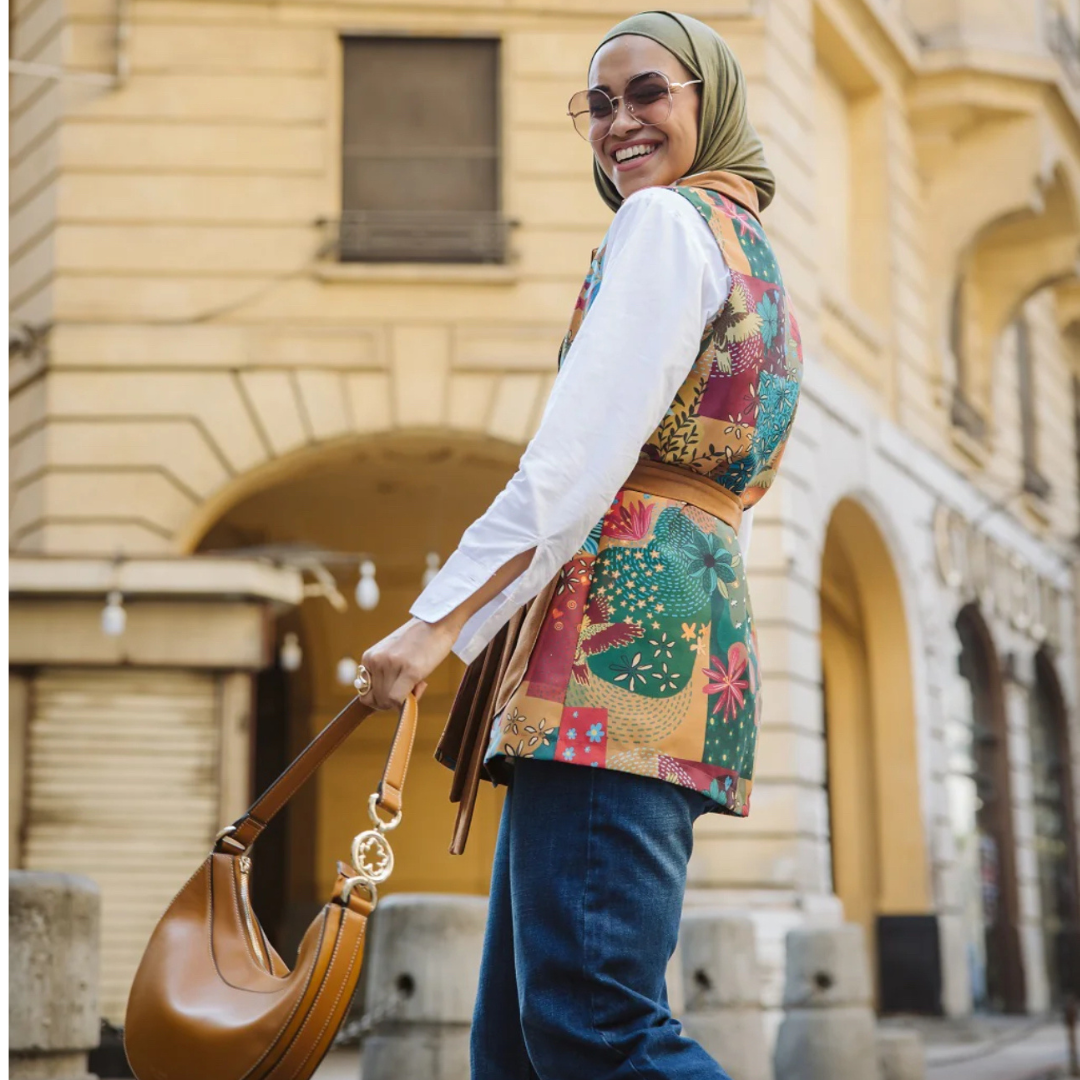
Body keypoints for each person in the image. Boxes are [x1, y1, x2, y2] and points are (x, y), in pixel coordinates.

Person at [357, 10, 803, 1078]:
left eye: (647, 92)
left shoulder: (662, 227)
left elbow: (575, 461)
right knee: (518, 1045)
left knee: (591, 1022)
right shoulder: (758, 257)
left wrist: (437, 623)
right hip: (675, 637)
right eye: (597, 105)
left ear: (710, 98)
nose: (618, 122)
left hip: (610, 654)